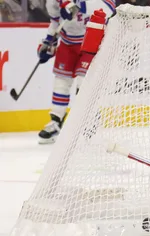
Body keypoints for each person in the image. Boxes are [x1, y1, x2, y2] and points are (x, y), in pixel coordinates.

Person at [37, 0, 115, 144]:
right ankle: (56, 121)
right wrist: (49, 43)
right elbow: (55, 22)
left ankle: (89, 118)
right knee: (61, 82)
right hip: (67, 44)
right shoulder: (53, 2)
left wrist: (80, 4)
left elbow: (110, 7)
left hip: (90, 42)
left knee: (83, 81)